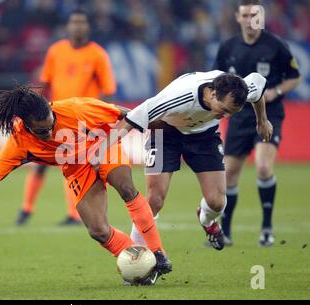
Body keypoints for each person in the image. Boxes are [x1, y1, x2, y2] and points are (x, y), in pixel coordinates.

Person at [0, 86, 171, 285]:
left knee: (126, 187)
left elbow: (122, 112)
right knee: (97, 230)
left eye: (51, 125)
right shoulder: (19, 144)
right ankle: (141, 261)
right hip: (76, 170)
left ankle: (158, 253)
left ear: (51, 110)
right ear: (26, 126)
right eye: (42, 132)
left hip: (104, 146)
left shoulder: (74, 108)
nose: (49, 133)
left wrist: (164, 124)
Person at [94, 70, 273, 251]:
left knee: (217, 202)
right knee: (154, 200)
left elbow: (258, 84)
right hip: (165, 133)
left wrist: (262, 121)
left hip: (205, 137)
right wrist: (101, 151)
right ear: (212, 94)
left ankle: (206, 220)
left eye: (232, 113)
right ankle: (137, 254)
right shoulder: (177, 98)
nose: (226, 116)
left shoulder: (239, 89)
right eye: (224, 110)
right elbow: (130, 120)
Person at [213, 0, 301, 246]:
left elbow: (294, 78)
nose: (251, 19)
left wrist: (276, 92)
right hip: (238, 117)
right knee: (229, 173)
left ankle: (266, 228)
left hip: (269, 113)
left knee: (263, 167)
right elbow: (215, 80)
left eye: (255, 14)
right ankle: (225, 233)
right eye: (246, 14)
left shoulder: (276, 46)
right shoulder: (228, 47)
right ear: (238, 17)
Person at [18, 9, 116, 226]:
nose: (78, 26)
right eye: (74, 22)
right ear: (68, 27)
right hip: (55, 117)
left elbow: (108, 90)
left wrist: (107, 116)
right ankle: (26, 209)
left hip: (84, 120)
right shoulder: (56, 51)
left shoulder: (98, 54)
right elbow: (44, 83)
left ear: (87, 27)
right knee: (40, 161)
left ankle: (74, 214)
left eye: (82, 22)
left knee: (73, 162)